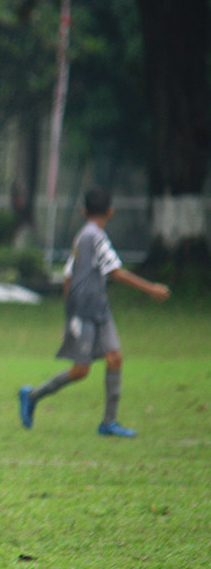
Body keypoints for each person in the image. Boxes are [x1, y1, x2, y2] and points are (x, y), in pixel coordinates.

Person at [18, 187, 170, 437]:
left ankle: (108, 423)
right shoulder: (95, 237)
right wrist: (150, 288)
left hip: (98, 308)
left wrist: (68, 314)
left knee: (115, 357)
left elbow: (68, 276)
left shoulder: (83, 237)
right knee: (81, 370)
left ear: (83, 211)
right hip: (86, 310)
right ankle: (32, 396)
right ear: (110, 212)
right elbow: (115, 272)